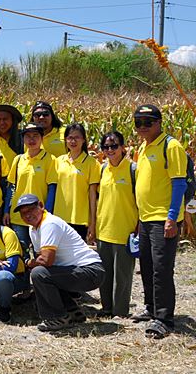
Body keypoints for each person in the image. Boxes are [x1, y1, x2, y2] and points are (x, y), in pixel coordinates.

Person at [131, 104, 187, 339]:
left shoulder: (170, 146)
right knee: (146, 266)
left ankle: (164, 319)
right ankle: (151, 308)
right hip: (145, 218)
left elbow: (179, 183)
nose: (142, 127)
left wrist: (172, 217)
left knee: (162, 269)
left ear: (159, 122)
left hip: (163, 218)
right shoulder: (143, 147)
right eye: (138, 123)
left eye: (147, 122)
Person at [15, 194, 103, 332]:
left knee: (39, 273)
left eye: (31, 209)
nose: (28, 215)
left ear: (41, 205)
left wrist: (28, 262)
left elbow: (45, 261)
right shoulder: (33, 228)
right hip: (79, 270)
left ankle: (57, 317)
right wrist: (34, 262)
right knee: (44, 273)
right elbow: (42, 259)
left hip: (91, 271)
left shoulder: (50, 223)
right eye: (23, 213)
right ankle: (72, 310)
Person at [95, 131, 137, 318]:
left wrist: (139, 225)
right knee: (105, 274)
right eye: (106, 147)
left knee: (123, 276)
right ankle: (106, 308)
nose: (110, 150)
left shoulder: (133, 169)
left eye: (114, 146)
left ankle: (120, 311)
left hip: (125, 229)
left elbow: (140, 199)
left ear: (123, 147)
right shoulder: (102, 169)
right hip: (104, 229)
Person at [4, 123, 58, 254]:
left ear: (42, 138)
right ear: (23, 139)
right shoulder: (18, 160)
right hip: (18, 215)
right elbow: (11, 187)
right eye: (28, 136)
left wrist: (47, 212)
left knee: (40, 252)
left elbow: (52, 187)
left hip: (38, 215)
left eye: (35, 136)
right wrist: (6, 210)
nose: (32, 140)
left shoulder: (50, 159)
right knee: (21, 251)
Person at [53, 123, 100, 242]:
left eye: (77, 137)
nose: (73, 141)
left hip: (80, 220)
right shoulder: (58, 161)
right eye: (69, 138)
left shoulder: (92, 164)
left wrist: (92, 223)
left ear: (83, 140)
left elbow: (93, 195)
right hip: (59, 218)